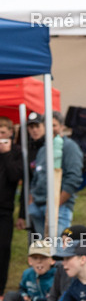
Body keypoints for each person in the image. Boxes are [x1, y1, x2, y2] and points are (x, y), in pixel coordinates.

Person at [26, 111, 83, 239]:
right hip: (38, 207)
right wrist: (31, 202)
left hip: (59, 208)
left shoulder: (69, 147)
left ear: (62, 126)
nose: (51, 129)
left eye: (54, 125)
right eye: (47, 125)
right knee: (44, 248)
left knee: (57, 247)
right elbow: (36, 177)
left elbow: (74, 178)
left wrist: (57, 203)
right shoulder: (43, 149)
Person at [0, 121, 23, 291]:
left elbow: (15, 175)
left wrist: (6, 154)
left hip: (5, 209)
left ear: (10, 132)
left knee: (3, 248)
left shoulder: (16, 151)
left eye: (2, 132)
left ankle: (0, 287)